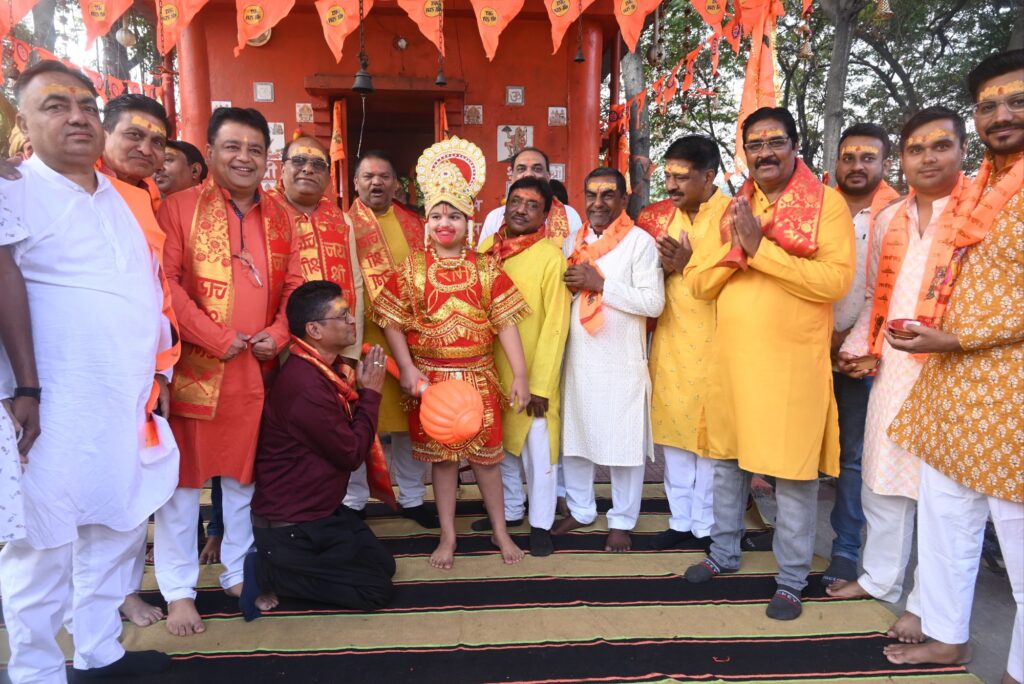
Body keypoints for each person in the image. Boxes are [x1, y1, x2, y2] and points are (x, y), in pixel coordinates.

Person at [0, 60, 179, 681]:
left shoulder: (123, 199)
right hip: (47, 404)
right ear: (23, 122)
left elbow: (149, 291)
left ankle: (98, 651)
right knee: (42, 544)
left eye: (86, 105)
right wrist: (22, 389)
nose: (76, 117)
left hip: (124, 399)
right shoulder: (12, 188)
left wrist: (158, 375)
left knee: (117, 526)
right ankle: (36, 670)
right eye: (55, 105)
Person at [882, 50, 1023, 684]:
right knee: (946, 524)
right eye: (989, 105)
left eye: (1017, 101)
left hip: (1011, 394)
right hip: (952, 388)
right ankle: (946, 638)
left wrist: (959, 336)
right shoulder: (984, 184)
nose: (1002, 115)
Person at [682, 107, 855, 620]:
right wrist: (736, 253)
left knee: (793, 475)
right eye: (754, 145)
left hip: (791, 368)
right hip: (733, 364)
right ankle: (723, 552)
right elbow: (697, 283)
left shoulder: (826, 205)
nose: (765, 153)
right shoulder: (731, 209)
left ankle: (792, 578)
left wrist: (761, 251)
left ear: (794, 145)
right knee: (727, 464)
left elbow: (834, 282)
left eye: (775, 141)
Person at [154, 106, 303, 637]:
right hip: (195, 367)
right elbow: (166, 283)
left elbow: (295, 288)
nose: (244, 158)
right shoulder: (178, 208)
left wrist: (279, 335)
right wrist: (215, 337)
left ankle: (238, 573)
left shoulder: (282, 216)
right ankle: (177, 590)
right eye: (232, 147)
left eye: (255, 149)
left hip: (256, 370)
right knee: (181, 489)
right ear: (210, 152)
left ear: (267, 158)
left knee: (244, 481)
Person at [827, 108, 967, 612]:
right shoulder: (891, 218)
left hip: (958, 368)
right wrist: (856, 350)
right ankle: (880, 580)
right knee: (882, 478)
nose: (927, 158)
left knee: (946, 496)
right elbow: (874, 296)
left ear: (963, 151)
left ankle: (930, 606)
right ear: (904, 160)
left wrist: (954, 340)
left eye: (941, 146)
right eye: (917, 149)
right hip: (891, 368)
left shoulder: (980, 213)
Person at [371, 137, 531, 570]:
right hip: (432, 383)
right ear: (426, 221)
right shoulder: (412, 268)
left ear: (468, 221)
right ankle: (448, 534)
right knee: (442, 465)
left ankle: (500, 531)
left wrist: (520, 375)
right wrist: (406, 368)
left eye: (454, 215)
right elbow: (390, 319)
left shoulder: (486, 267)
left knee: (488, 463)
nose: (446, 223)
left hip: (480, 379)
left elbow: (506, 324)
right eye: (438, 215)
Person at [242, 280, 395, 620]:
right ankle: (270, 574)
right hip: (292, 527)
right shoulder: (305, 385)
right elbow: (350, 454)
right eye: (343, 315)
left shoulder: (322, 369)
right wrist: (371, 394)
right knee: (375, 590)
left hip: (320, 511)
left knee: (384, 565)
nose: (353, 320)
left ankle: (286, 567)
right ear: (314, 330)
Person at [554, 168, 665, 552]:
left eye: (607, 195)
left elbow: (654, 302)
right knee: (576, 438)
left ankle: (622, 520)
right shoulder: (573, 241)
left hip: (621, 360)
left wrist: (602, 285)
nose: (598, 203)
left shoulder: (640, 243)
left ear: (623, 199)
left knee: (625, 444)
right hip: (579, 358)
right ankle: (581, 509)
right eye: (592, 194)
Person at [638, 136, 731, 551]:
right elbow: (651, 277)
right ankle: (680, 521)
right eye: (668, 176)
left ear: (708, 176)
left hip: (717, 341)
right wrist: (661, 267)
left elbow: (736, 277)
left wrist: (686, 264)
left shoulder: (731, 215)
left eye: (681, 177)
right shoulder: (663, 217)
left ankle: (707, 526)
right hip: (673, 340)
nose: (671, 185)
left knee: (708, 440)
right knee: (674, 435)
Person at [821, 122, 901, 586]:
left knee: (852, 456)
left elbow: (891, 291)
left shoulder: (897, 215)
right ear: (836, 162)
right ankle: (787, 538)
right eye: (848, 157)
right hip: (806, 347)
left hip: (862, 356)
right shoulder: (817, 208)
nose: (856, 165)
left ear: (885, 163)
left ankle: (846, 549)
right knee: (802, 447)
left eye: (868, 158)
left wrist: (850, 340)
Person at [345, 150, 438, 528]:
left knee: (409, 423)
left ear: (396, 184)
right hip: (357, 340)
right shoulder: (342, 225)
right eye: (368, 176)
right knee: (357, 421)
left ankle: (413, 498)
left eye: (384, 176)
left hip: (408, 343)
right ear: (355, 183)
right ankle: (352, 501)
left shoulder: (415, 224)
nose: (376, 183)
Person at [478, 177, 571, 556]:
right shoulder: (487, 248)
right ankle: (511, 510)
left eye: (532, 205)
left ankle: (541, 524)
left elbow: (556, 326)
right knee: (499, 448)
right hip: (490, 368)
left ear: (545, 214)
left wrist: (541, 386)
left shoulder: (551, 256)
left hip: (533, 372)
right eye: (515, 201)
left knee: (539, 453)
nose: (520, 210)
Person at [476, 147, 583, 257]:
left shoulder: (569, 215)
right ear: (511, 177)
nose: (529, 174)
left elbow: (576, 260)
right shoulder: (495, 217)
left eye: (537, 169)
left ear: (548, 176)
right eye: (521, 169)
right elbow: (482, 261)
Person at [97, 93, 168, 209]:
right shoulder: (75, 185)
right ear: (103, 136)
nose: (146, 151)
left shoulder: (155, 197)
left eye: (158, 143)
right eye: (134, 135)